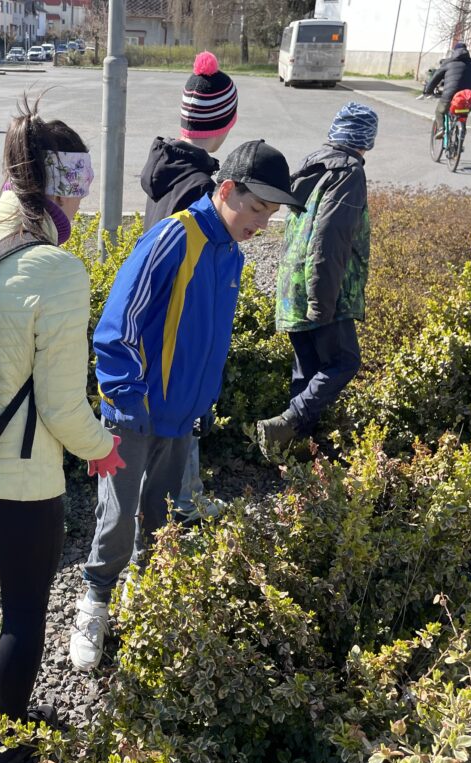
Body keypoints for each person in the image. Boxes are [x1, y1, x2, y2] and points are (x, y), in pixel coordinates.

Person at [0, 97, 123, 763]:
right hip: (18, 484)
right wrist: (103, 449)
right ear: (63, 186)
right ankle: (6, 743)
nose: (82, 205)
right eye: (81, 189)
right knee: (23, 611)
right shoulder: (57, 271)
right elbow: (64, 408)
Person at [70, 139, 303, 672]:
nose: (261, 223)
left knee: (160, 512)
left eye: (270, 214)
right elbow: (118, 327)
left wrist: (202, 400)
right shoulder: (175, 236)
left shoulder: (230, 253)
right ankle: (95, 600)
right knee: (117, 515)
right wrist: (126, 401)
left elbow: (209, 338)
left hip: (180, 414)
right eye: (256, 208)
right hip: (134, 412)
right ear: (227, 190)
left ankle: (144, 590)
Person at [138, 50, 239, 523]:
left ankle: (180, 494)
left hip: (157, 310)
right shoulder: (200, 188)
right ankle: (182, 500)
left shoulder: (167, 169)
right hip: (180, 316)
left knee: (168, 415)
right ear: (227, 122)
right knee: (184, 408)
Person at [256, 103, 378, 459]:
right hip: (323, 290)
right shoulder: (348, 173)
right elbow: (330, 240)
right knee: (344, 362)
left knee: (307, 372)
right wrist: (321, 303)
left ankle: (292, 453)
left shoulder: (314, 165)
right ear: (366, 140)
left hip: (293, 288)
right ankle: (288, 423)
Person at [422, 41, 471, 132]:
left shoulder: (448, 62)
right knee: (463, 113)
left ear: (454, 51)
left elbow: (436, 77)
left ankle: (441, 129)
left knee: (439, 111)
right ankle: (461, 132)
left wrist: (428, 90)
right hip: (467, 96)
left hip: (450, 94)